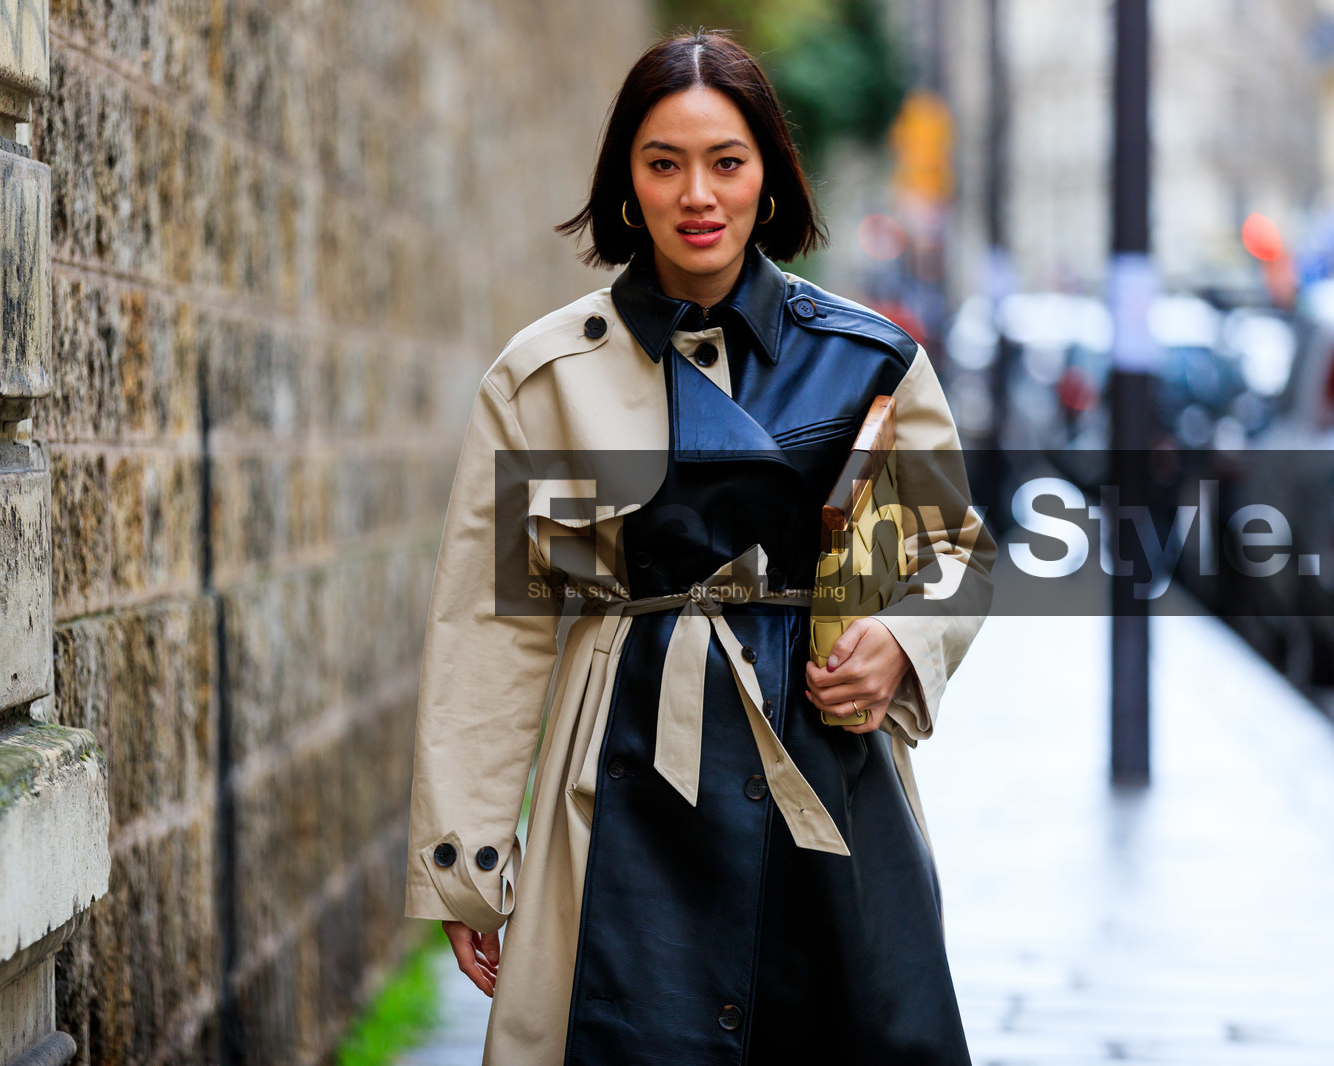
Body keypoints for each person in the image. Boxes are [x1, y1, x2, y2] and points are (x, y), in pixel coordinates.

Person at [404, 29, 993, 1065]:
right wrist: (472, 859)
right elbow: (494, 629)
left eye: (725, 161)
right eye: (663, 163)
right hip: (625, 782)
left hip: (828, 784)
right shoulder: (551, 380)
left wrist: (900, 640)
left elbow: (949, 550)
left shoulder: (867, 360)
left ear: (768, 176)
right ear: (626, 184)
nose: (697, 194)